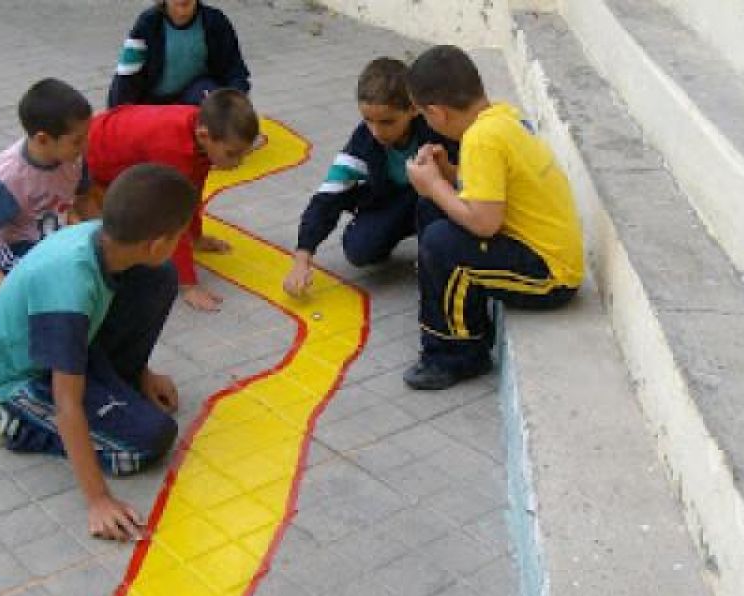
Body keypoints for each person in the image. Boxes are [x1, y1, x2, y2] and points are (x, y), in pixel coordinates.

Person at [0, 163, 196, 542]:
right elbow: (68, 403)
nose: (180, 244)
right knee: (150, 439)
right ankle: (21, 426)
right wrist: (98, 499)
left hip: (76, 342)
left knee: (159, 277)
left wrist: (142, 372)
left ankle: (119, 386)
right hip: (28, 376)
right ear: (159, 243)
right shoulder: (70, 289)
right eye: (180, 236)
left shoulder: (106, 239)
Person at [402, 45, 584, 391]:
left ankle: (454, 356)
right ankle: (463, 321)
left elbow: (485, 224)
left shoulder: (480, 140)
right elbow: (487, 194)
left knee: (441, 243)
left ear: (436, 113)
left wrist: (435, 186)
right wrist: (448, 173)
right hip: (542, 254)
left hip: (550, 277)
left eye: (424, 116)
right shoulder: (500, 117)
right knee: (434, 215)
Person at [283, 57, 458, 297]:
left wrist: (447, 169)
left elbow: (470, 176)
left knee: (432, 206)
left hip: (435, 201)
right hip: (393, 205)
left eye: (387, 122)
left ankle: (433, 255)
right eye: (368, 120)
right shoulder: (362, 144)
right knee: (360, 250)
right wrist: (302, 259)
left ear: (414, 109)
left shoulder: (439, 131)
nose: (377, 131)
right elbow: (327, 198)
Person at [85, 88, 258, 311]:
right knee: (114, 235)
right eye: (232, 154)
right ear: (205, 135)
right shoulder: (172, 148)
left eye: (245, 153)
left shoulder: (200, 129)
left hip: (113, 141)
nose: (239, 162)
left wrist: (197, 237)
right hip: (92, 161)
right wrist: (187, 284)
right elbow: (169, 217)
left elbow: (193, 190)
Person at [0, 78, 91, 346]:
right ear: (43, 139)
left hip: (52, 235)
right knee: (39, 295)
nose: (85, 146)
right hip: (14, 246)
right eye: (77, 141)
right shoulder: (9, 179)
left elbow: (81, 199)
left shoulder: (71, 158)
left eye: (87, 136)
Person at [108, 0, 250, 107]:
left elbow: (234, 69)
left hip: (197, 93)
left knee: (216, 105)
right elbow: (127, 74)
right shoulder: (148, 23)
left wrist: (235, 102)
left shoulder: (215, 21)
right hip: (153, 102)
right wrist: (115, 118)